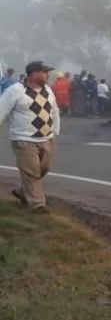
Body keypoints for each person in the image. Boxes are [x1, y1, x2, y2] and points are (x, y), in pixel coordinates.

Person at [0, 61, 60, 213]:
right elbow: (1, 111)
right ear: (34, 74)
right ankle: (37, 205)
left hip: (47, 138)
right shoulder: (15, 91)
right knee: (32, 172)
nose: (48, 75)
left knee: (43, 169)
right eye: (45, 72)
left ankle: (23, 191)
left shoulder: (48, 90)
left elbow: (54, 111)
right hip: (24, 140)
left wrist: (55, 132)